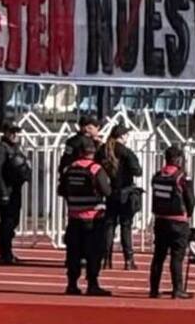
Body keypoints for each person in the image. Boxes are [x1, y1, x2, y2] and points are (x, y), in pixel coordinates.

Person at [58, 137, 112, 296]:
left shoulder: (69, 169)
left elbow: (61, 190)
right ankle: (93, 284)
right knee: (94, 252)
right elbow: (107, 191)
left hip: (74, 217)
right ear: (93, 153)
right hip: (93, 218)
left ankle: (72, 284)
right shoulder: (96, 169)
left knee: (73, 252)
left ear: (79, 152)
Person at [149, 144, 195, 299]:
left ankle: (154, 289)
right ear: (179, 159)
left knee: (158, 256)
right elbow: (190, 199)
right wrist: (189, 213)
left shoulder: (157, 175)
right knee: (177, 256)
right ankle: (178, 289)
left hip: (160, 220)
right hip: (178, 221)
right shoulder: (182, 177)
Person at [96, 124, 142, 271]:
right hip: (125, 192)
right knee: (125, 226)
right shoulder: (126, 152)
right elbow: (137, 171)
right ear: (122, 136)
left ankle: (106, 259)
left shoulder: (102, 150)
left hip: (109, 192)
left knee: (109, 225)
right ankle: (128, 260)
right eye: (126, 135)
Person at [0, 120, 31, 265]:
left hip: (15, 188)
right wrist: (2, 191)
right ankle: (5, 253)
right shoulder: (1, 148)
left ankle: (7, 251)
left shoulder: (15, 148)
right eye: (11, 132)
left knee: (13, 220)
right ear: (5, 132)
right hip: (6, 188)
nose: (14, 134)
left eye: (16, 132)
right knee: (7, 221)